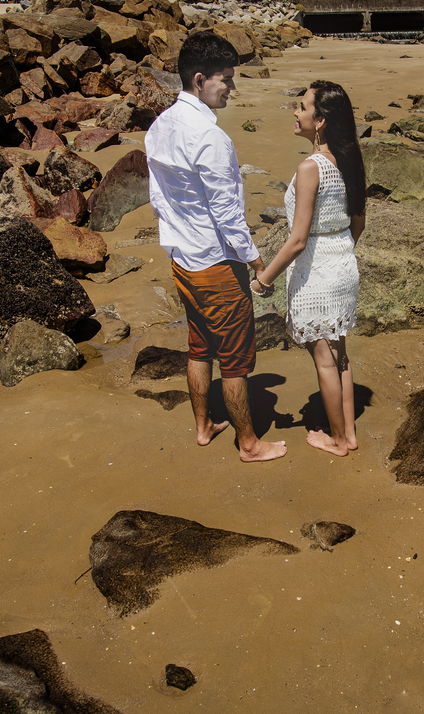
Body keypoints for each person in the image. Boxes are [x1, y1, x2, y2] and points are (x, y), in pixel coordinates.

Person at [144, 31, 286, 463]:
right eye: (225, 79)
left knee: (199, 347)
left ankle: (204, 425)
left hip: (183, 259)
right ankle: (249, 443)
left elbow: (158, 197)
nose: (231, 88)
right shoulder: (210, 137)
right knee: (237, 361)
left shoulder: (161, 124)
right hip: (216, 264)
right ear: (200, 79)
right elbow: (228, 216)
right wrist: (258, 262)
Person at [251, 80, 366, 457]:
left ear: (320, 121)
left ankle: (337, 441)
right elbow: (357, 224)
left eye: (302, 106)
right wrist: (340, 252)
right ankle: (348, 434)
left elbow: (298, 239)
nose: (296, 112)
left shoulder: (310, 167)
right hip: (344, 266)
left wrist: (263, 279)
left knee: (324, 360)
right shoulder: (348, 160)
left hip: (318, 273)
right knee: (340, 355)